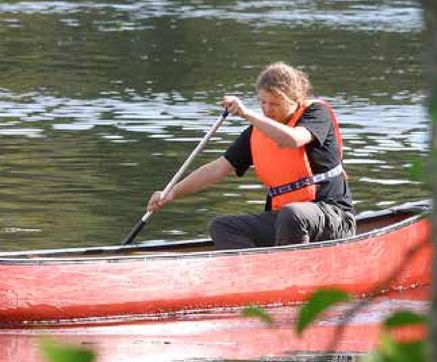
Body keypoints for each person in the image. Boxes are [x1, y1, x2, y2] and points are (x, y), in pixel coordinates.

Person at [147, 63, 355, 250]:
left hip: (332, 216)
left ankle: (290, 273)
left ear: (295, 99)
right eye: (262, 102)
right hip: (287, 222)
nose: (266, 110)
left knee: (292, 214)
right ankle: (253, 272)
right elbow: (217, 169)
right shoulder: (256, 133)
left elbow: (293, 139)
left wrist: (247, 113)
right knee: (222, 226)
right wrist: (172, 193)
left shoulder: (316, 114)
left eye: (274, 104)